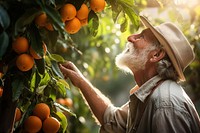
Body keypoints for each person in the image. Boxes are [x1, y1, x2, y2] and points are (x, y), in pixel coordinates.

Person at [59, 16, 200, 133]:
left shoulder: (165, 105)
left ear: (156, 54)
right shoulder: (151, 94)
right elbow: (111, 120)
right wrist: (80, 81)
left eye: (141, 36)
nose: (131, 38)